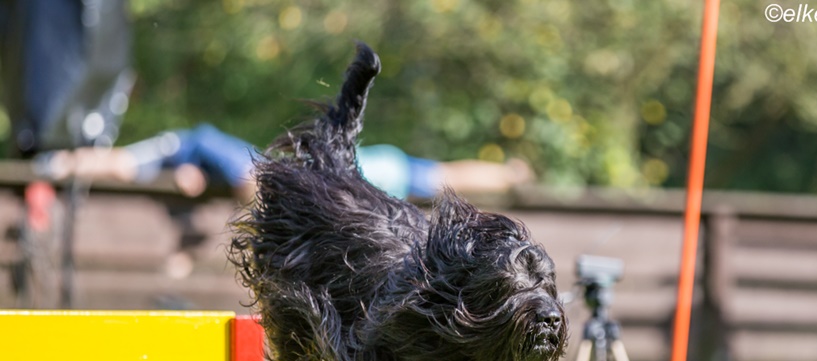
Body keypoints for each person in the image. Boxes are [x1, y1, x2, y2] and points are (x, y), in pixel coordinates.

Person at [37, 123, 533, 202]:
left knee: (127, 164)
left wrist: (62, 164)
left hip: (358, 176)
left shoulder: (201, 148)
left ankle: (59, 163)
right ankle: (508, 174)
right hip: (369, 170)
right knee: (440, 175)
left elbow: (252, 183)